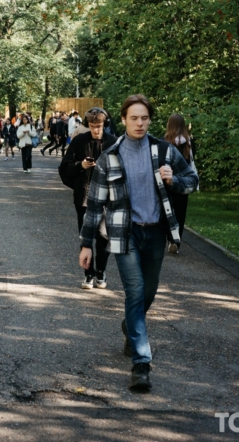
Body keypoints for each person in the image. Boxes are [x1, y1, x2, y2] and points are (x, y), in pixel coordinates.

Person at [78, 94, 198, 392]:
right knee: (134, 291)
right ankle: (141, 364)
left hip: (156, 233)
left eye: (144, 118)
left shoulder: (164, 151)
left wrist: (174, 181)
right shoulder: (111, 157)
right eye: (134, 118)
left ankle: (130, 327)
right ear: (123, 120)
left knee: (148, 292)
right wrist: (86, 244)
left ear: (150, 120)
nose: (140, 123)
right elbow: (94, 204)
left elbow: (192, 180)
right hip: (124, 234)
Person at [60, 108, 118, 290]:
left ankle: (101, 271)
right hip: (85, 196)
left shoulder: (114, 143)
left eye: (99, 126)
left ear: (105, 125)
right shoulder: (79, 141)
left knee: (104, 237)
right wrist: (81, 165)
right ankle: (88, 274)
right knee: (85, 237)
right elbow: (64, 168)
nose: (95, 130)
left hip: (108, 198)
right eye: (92, 126)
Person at [164, 114, 197, 254]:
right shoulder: (189, 142)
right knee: (181, 212)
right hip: (184, 181)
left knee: (167, 210)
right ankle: (176, 240)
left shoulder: (164, 141)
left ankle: (169, 238)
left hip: (168, 180)